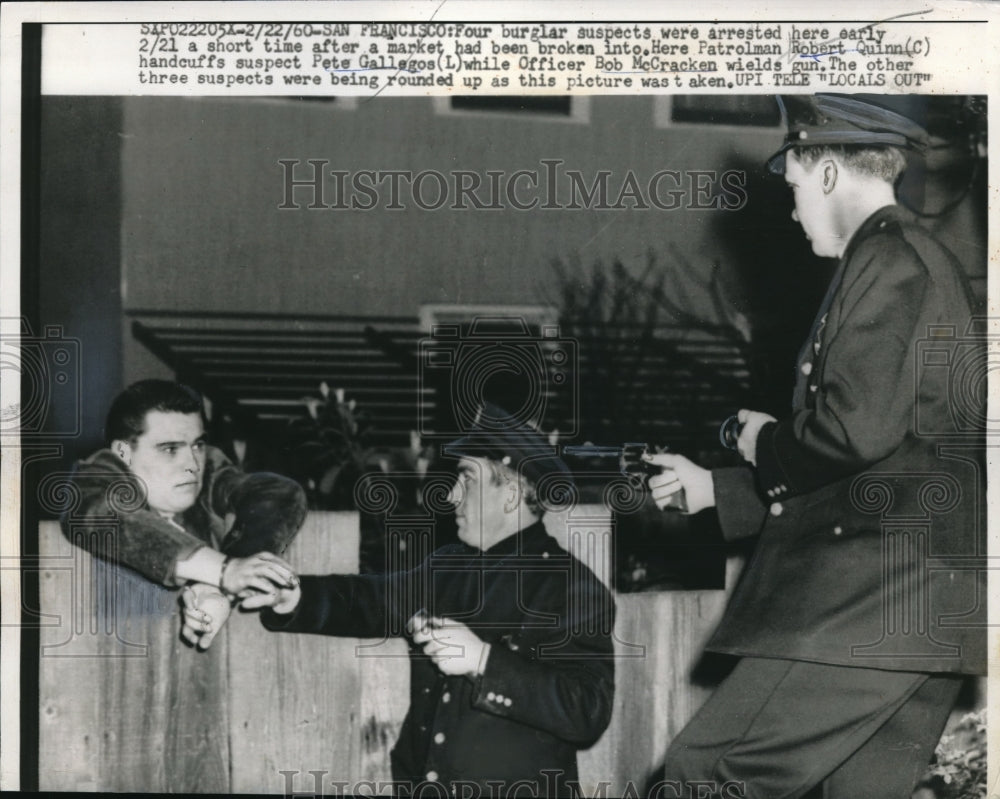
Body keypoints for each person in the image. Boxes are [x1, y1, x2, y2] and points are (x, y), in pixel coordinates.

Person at [644, 95, 985, 798]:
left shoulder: (889, 261)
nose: (793, 210)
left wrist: (765, 438)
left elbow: (857, 427)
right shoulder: (907, 259)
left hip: (868, 601)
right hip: (914, 610)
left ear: (826, 172)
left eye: (794, 186)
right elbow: (895, 451)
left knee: (702, 773)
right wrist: (722, 490)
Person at [231, 406, 616, 796]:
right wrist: (292, 593)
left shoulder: (570, 586)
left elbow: (588, 711)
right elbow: (372, 599)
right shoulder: (447, 567)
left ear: (512, 493)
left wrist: (482, 661)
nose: (450, 495)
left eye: (467, 479)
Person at [63, 379, 305, 649]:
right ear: (123, 453)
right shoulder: (102, 474)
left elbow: (278, 493)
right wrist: (224, 571)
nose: (192, 464)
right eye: (169, 449)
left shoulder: (209, 471)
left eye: (197, 445)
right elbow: (103, 512)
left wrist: (225, 585)